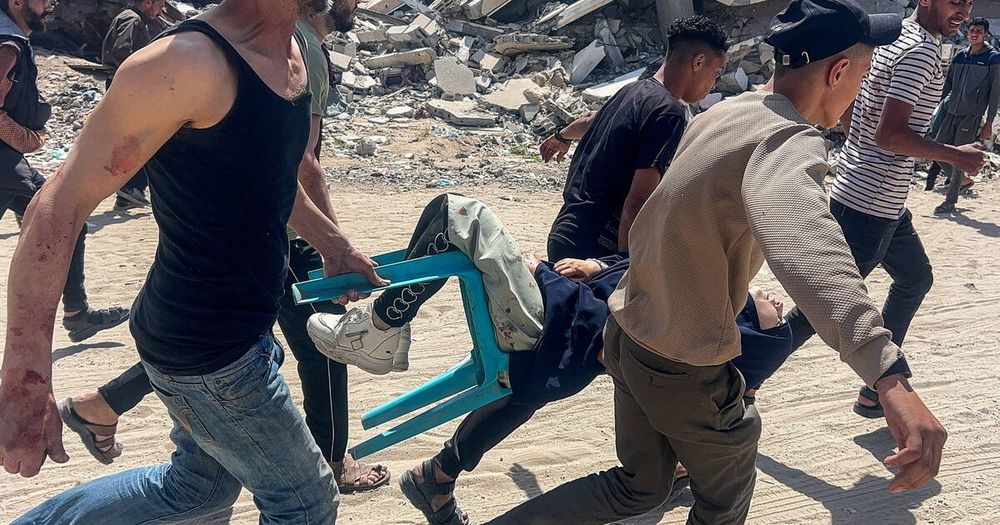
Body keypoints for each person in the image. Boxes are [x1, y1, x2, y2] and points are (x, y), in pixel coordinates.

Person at [486, 1, 948, 523]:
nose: (860, 93)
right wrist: (888, 375)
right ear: (838, 71)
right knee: (724, 496)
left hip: (629, 330)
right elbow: (812, 251)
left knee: (639, 487)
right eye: (862, 76)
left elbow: (661, 219)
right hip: (680, 359)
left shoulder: (726, 112)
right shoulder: (787, 140)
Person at [0, 0, 387, 522]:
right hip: (206, 350)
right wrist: (26, 379)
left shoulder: (289, 47)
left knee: (198, 491)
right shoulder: (185, 64)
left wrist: (334, 246)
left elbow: (271, 170)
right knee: (306, 504)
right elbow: (57, 206)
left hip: (244, 329)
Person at [305, 194, 796, 525]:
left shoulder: (715, 329)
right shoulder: (700, 291)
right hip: (556, 311)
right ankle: (392, 350)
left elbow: (703, 380)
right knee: (453, 217)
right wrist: (596, 265)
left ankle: (382, 328)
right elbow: (639, 267)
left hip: (548, 320)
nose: (772, 296)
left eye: (773, 308)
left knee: (462, 214)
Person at [785, 0, 984, 419]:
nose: (964, 12)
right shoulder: (922, 52)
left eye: (969, 2)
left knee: (915, 278)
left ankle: (875, 389)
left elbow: (850, 103)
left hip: (876, 195)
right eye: (955, 1)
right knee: (822, 308)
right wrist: (955, 156)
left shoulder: (892, 38)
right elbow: (890, 135)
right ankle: (743, 376)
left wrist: (860, 148)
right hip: (871, 204)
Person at [543, 16, 726, 261]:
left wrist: (561, 136)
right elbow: (637, 201)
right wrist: (623, 265)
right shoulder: (668, 112)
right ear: (698, 62)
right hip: (596, 248)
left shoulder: (631, 91)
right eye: (716, 73)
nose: (713, 85)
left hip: (565, 232)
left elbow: (589, 120)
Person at [0, 0, 130, 343]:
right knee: (65, 217)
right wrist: (28, 139)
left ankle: (77, 312)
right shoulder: (7, 47)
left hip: (9, 164)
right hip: (5, 166)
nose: (50, 5)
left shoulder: (13, 41)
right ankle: (77, 313)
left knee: (66, 219)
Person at [928, 17, 1000, 213]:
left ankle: (950, 201)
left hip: (971, 115)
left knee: (960, 155)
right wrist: (937, 106)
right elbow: (948, 85)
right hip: (951, 110)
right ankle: (963, 180)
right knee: (936, 150)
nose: (974, 34)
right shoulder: (960, 55)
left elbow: (995, 94)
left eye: (979, 31)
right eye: (972, 30)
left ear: (986, 34)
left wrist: (989, 122)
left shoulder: (993, 59)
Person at [101, 0, 167, 210]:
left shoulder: (133, 18)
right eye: (160, 4)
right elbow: (122, 52)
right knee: (142, 137)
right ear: (148, 2)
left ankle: (128, 193)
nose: (162, 9)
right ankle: (130, 188)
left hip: (125, 85)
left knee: (134, 137)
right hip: (128, 87)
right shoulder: (132, 19)